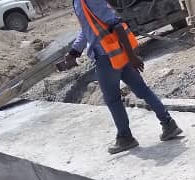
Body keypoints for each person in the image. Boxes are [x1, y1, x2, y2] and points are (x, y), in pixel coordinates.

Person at [62, 0, 182, 154]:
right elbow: (87, 28)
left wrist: (132, 56)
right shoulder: (79, 2)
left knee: (112, 99)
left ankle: (125, 137)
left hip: (107, 57)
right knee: (142, 90)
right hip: (117, 54)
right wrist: (74, 52)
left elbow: (116, 25)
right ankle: (168, 124)